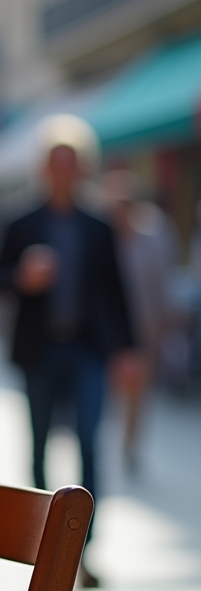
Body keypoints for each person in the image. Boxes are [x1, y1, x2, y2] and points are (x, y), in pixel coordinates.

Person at [0, 115, 137, 586]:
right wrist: (21, 278)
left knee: (91, 445)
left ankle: (83, 551)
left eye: (70, 163)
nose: (62, 171)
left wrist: (127, 350)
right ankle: (40, 546)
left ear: (82, 169)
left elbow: (117, 290)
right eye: (55, 162)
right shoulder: (21, 222)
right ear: (43, 169)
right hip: (39, 350)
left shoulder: (98, 225)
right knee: (38, 447)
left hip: (87, 349)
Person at [103, 171, 179, 472]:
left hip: (143, 326)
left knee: (138, 392)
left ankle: (130, 446)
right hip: (109, 330)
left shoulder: (154, 235)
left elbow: (163, 281)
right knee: (110, 391)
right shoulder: (102, 237)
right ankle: (108, 442)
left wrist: (164, 322)